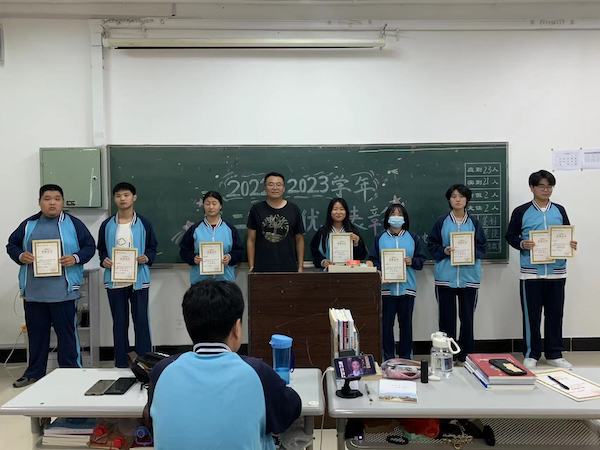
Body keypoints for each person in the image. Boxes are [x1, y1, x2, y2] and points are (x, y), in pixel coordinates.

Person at [144, 280, 301, 450]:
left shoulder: (162, 371)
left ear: (189, 326)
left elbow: (154, 423)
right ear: (237, 328)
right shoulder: (257, 372)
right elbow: (290, 410)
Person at [6, 184, 95, 387]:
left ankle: (71, 373)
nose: (52, 202)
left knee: (67, 336)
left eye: (57, 198)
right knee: (36, 336)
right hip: (34, 293)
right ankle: (34, 373)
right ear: (39, 202)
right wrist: (20, 255)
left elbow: (89, 246)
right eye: (47, 199)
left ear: (62, 202)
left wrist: (75, 258)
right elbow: (12, 245)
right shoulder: (29, 224)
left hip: (64, 292)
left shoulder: (73, 224)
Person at [505, 170, 577, 369]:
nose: (546, 190)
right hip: (531, 273)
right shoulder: (521, 211)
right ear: (532, 188)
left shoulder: (559, 210)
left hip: (557, 272)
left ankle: (555, 354)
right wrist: (522, 243)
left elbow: (565, 234)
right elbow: (510, 236)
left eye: (549, 186)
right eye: (542, 186)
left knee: (555, 314)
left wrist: (570, 244)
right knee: (532, 316)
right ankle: (531, 353)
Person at [97, 182, 158, 368]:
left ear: (134, 197)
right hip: (115, 280)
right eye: (118, 196)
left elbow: (152, 247)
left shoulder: (144, 223)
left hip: (139, 280)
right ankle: (121, 363)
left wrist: (146, 257)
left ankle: (145, 363)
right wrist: (104, 260)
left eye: (126, 195)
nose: (122, 199)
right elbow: (101, 249)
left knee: (141, 322)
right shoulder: (107, 224)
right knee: (119, 323)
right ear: (114, 199)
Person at [428, 184, 486, 363]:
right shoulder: (441, 222)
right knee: (446, 319)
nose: (457, 199)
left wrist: (470, 251)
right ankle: (447, 355)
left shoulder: (474, 222)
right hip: (445, 278)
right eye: (454, 196)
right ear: (449, 200)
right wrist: (444, 251)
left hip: (469, 278)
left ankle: (466, 355)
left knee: (467, 318)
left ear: (467, 200)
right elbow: (431, 245)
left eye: (461, 196)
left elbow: (482, 247)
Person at [368, 203, 426, 361]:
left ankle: (406, 358)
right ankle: (388, 357)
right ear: (387, 217)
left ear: (404, 218)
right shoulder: (380, 238)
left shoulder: (413, 237)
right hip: (387, 289)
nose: (396, 217)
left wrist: (412, 261)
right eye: (393, 214)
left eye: (400, 214)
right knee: (386, 325)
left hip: (407, 288)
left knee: (406, 325)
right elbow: (373, 260)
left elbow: (421, 260)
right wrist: (380, 268)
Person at [179, 191, 243, 284]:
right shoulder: (195, 229)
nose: (211, 207)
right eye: (207, 203)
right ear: (203, 206)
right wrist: (193, 258)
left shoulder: (230, 229)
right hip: (200, 281)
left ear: (220, 206)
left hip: (225, 280)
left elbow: (239, 251)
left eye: (214, 203)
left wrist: (230, 257)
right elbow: (184, 251)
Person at [247, 172, 305, 272]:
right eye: (271, 184)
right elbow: (251, 239)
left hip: (288, 267)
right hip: (262, 268)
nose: (275, 188)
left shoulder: (293, 209)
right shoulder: (256, 209)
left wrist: (300, 266)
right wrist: (251, 266)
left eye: (279, 184)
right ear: (265, 188)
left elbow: (299, 239)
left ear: (284, 188)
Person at [310, 197, 368, 269]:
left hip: (349, 271)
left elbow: (361, 256)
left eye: (341, 209)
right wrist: (323, 261)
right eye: (335, 209)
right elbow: (314, 252)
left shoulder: (353, 231)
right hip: (328, 271)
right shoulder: (322, 232)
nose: (338, 212)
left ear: (346, 212)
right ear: (330, 212)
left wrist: (356, 243)